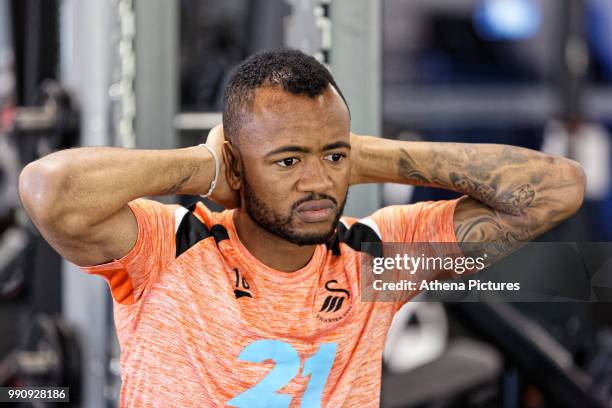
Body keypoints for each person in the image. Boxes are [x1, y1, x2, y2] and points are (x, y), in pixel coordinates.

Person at [18, 49, 585, 407]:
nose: (317, 182)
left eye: (332, 159)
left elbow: (557, 189)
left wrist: (367, 156)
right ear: (239, 165)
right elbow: (50, 190)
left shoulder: (375, 259)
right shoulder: (170, 248)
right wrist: (205, 167)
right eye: (288, 161)